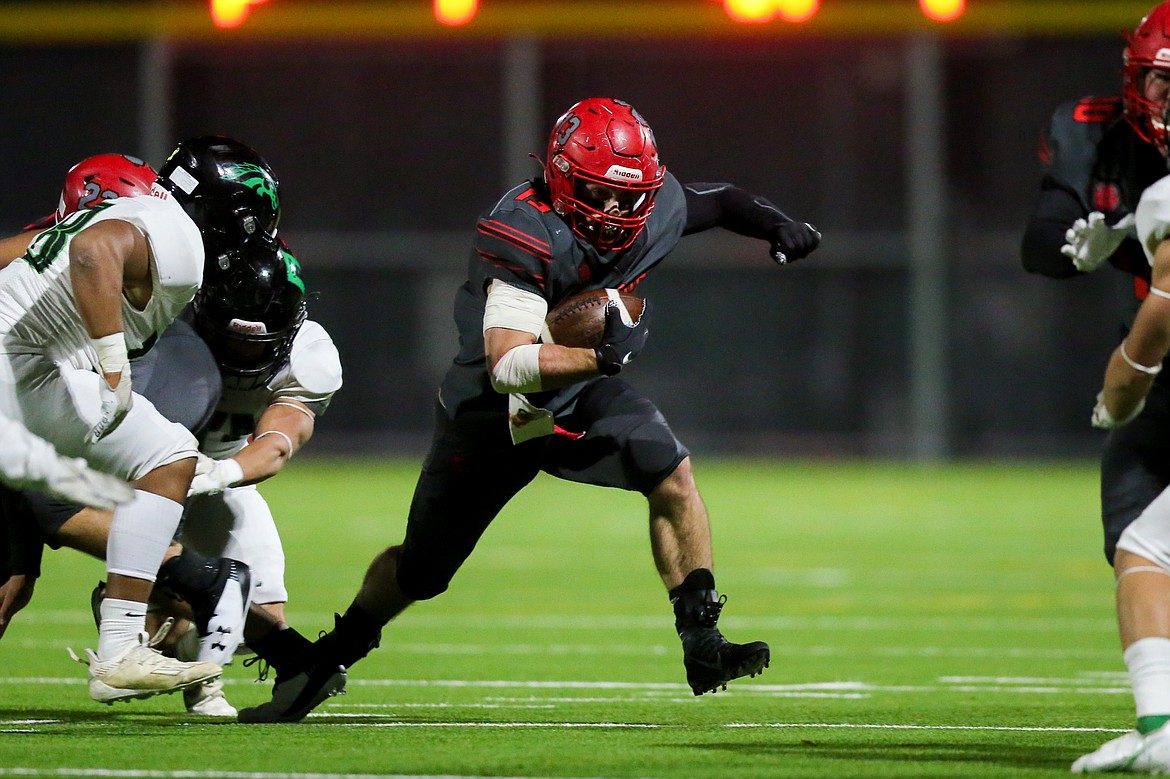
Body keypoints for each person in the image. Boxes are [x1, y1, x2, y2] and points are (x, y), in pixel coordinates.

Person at [236, 96, 821, 723]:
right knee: (423, 569)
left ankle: (701, 640)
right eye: (605, 195)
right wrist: (603, 358)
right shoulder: (523, 228)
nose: (622, 212)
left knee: (668, 468)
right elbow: (508, 364)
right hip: (493, 413)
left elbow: (722, 198)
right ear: (566, 179)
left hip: (576, 396)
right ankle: (331, 658)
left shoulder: (652, 205)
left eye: (633, 197)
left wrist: (775, 223)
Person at [0, 135, 281, 704]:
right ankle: (121, 648)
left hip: (23, 367)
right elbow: (90, 253)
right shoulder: (173, 231)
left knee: (165, 456)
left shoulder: (141, 214)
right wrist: (110, 367)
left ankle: (123, 646)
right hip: (19, 368)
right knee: (168, 457)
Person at [1021, 2, 1170, 570]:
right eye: (1163, 80)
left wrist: (1132, 239)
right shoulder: (1096, 133)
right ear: (1135, 77)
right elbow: (1041, 244)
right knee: (1135, 546)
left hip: (1151, 350)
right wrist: (1104, 244)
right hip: (1155, 363)